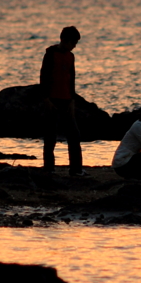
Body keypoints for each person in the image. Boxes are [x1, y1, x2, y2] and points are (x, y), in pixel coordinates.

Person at [39, 25, 86, 176]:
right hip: (52, 99)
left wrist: (72, 100)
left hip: (67, 99)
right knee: (50, 135)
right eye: (73, 43)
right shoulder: (51, 54)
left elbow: (71, 79)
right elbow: (44, 77)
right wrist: (46, 99)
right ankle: (49, 168)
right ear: (64, 40)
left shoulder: (71, 57)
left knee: (74, 135)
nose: (74, 46)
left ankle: (76, 169)